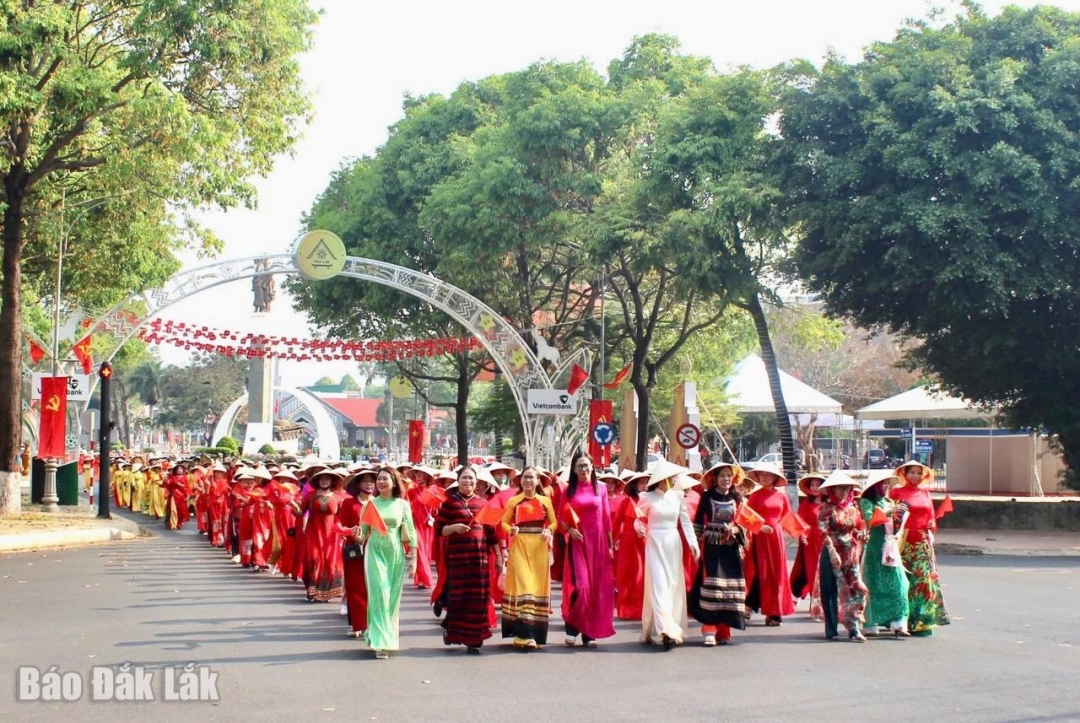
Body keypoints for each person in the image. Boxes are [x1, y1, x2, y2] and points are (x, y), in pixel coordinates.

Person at [435, 465, 498, 654]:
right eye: (464, 478)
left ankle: (475, 638)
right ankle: (452, 630)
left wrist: (501, 555)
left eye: (471, 478)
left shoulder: (483, 503)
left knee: (479, 597)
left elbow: (491, 532)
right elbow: (439, 529)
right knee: (459, 597)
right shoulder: (450, 504)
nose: (468, 482)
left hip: (480, 558)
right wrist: (454, 527)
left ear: (476, 482)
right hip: (458, 558)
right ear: (458, 481)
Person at [637, 461, 699, 650]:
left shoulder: (678, 497)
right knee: (659, 585)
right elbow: (638, 518)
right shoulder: (646, 497)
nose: (674, 481)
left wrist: (693, 543)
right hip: (655, 541)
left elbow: (686, 522)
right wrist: (639, 527)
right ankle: (666, 630)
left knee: (673, 585)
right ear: (662, 479)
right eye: (671, 477)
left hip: (673, 542)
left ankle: (669, 624)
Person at [559, 451, 616, 647]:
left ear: (592, 467)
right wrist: (570, 530)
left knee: (595, 589)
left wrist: (610, 545)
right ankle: (572, 629)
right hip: (578, 544)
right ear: (573, 470)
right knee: (581, 587)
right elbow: (560, 519)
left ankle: (589, 634)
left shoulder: (600, 488)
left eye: (586, 465)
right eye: (579, 466)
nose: (583, 469)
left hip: (598, 544)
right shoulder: (568, 491)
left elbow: (607, 519)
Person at [688, 462, 749, 646]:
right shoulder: (706, 497)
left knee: (728, 589)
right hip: (712, 546)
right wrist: (695, 547)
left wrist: (737, 530)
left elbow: (745, 523)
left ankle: (724, 630)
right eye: (722, 475)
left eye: (729, 475)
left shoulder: (737, 499)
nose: (726, 479)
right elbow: (698, 523)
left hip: (731, 548)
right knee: (712, 585)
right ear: (714, 479)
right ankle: (709, 629)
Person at [499, 466, 558, 649]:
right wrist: (512, 529)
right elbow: (503, 523)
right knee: (524, 588)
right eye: (525, 477)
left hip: (539, 547)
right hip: (520, 547)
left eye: (531, 478)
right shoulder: (514, 501)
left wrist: (549, 529)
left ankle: (527, 635)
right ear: (520, 480)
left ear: (538, 481)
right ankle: (525, 635)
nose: (528, 481)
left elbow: (554, 522)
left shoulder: (545, 501)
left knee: (536, 590)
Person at [889, 460, 950, 635]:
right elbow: (889, 515)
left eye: (918, 473)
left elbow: (930, 515)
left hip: (922, 541)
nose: (915, 476)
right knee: (903, 581)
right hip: (903, 542)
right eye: (912, 472)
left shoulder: (925, 493)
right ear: (904, 474)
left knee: (924, 580)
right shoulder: (896, 492)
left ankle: (923, 621)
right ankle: (901, 620)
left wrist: (931, 528)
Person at [363, 465, 417, 659]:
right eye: (379, 479)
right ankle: (379, 641)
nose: (381, 482)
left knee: (392, 597)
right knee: (380, 595)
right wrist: (351, 533)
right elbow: (362, 535)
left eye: (385, 478)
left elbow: (410, 531)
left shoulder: (402, 505)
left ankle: (387, 637)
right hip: (375, 551)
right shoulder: (370, 504)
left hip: (396, 553)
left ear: (394, 482)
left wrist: (414, 558)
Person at [817, 470, 868, 642]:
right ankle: (831, 628)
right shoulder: (826, 509)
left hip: (849, 553)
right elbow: (823, 532)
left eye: (846, 488)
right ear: (832, 490)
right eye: (839, 489)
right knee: (830, 591)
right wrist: (831, 551)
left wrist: (861, 536)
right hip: (831, 551)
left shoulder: (853, 508)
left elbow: (855, 529)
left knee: (856, 588)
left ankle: (853, 627)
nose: (843, 492)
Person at [859, 470, 910, 637]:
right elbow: (870, 520)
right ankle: (871, 623)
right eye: (883, 484)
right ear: (875, 486)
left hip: (890, 548)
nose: (886, 487)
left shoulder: (888, 501)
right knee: (874, 586)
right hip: (875, 548)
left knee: (899, 584)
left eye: (888, 483)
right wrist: (890, 511)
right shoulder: (866, 502)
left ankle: (899, 623)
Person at [743, 463, 795, 626]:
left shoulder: (782, 497)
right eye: (761, 474)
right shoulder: (755, 496)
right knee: (761, 573)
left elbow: (788, 517)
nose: (764, 477)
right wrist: (759, 527)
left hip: (776, 539)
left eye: (768, 474)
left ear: (775, 478)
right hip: (760, 539)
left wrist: (801, 535)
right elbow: (745, 517)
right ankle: (750, 604)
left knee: (777, 575)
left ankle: (774, 611)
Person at [297, 466, 346, 603]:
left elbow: (341, 517)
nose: (324, 481)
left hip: (332, 534)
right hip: (313, 533)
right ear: (317, 481)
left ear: (332, 481)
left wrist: (344, 532)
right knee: (313, 560)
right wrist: (293, 510)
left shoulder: (338, 497)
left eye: (327, 478)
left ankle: (326, 592)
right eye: (322, 478)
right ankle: (312, 591)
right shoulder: (310, 496)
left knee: (330, 562)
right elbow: (301, 512)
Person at [339, 468, 376, 638]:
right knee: (355, 588)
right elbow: (338, 527)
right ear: (358, 484)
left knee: (374, 588)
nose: (369, 484)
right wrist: (351, 532)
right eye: (365, 480)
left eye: (371, 480)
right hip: (354, 551)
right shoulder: (348, 504)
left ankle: (374, 623)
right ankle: (358, 624)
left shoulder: (379, 503)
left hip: (376, 550)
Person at [789, 472, 828, 620]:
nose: (815, 487)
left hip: (826, 541)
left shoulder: (829, 503)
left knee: (825, 572)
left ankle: (825, 603)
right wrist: (802, 535)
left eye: (818, 484)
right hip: (810, 542)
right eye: (812, 484)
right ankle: (816, 604)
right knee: (812, 572)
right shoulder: (806, 504)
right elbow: (800, 522)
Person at [612, 471, 648, 620]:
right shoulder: (627, 502)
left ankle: (643, 609)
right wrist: (611, 542)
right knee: (628, 576)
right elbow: (616, 523)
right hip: (628, 543)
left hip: (647, 542)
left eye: (647, 482)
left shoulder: (652, 501)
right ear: (635, 485)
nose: (645, 486)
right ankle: (627, 609)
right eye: (641, 482)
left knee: (644, 576)